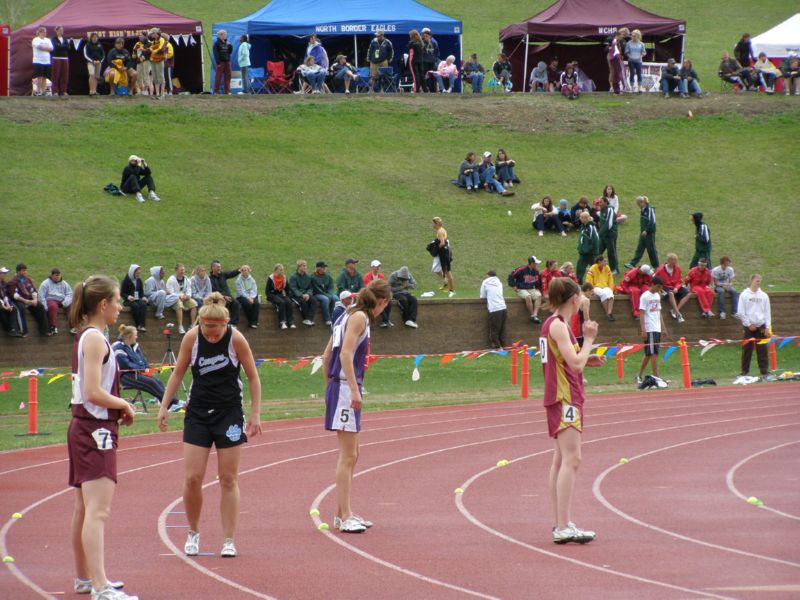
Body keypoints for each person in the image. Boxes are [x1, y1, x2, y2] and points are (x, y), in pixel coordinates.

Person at [158, 293, 262, 558]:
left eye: (216, 330)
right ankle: (193, 532)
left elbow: (252, 376)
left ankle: (228, 539)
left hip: (229, 413)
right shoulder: (191, 338)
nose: (211, 335)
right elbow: (178, 372)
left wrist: (255, 414)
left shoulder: (236, 339)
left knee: (228, 479)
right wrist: (164, 407)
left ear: (225, 324)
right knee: (193, 478)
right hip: (198, 413)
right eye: (207, 329)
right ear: (200, 323)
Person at [67, 275, 138, 600]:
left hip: (85, 427)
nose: (121, 307)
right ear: (103, 305)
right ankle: (99, 586)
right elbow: (92, 391)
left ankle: (86, 578)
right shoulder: (95, 339)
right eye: (118, 300)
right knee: (98, 511)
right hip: (94, 430)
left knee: (84, 509)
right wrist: (123, 403)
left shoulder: (88, 337)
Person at [322, 279, 391, 533]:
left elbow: (326, 354)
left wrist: (328, 386)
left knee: (354, 454)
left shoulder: (347, 314)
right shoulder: (359, 318)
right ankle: (344, 515)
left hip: (339, 386)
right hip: (344, 387)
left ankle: (343, 513)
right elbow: (344, 354)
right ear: (382, 302)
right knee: (348, 455)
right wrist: (350, 389)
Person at [539, 277, 604, 544]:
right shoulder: (558, 326)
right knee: (572, 459)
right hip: (565, 398)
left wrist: (587, 358)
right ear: (575, 299)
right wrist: (589, 340)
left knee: (560, 460)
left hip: (563, 396)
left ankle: (561, 523)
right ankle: (562, 526)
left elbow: (569, 361)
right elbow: (574, 365)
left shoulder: (555, 324)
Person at [113, 324, 181, 411]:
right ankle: (171, 404)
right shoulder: (118, 348)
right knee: (151, 382)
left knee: (157, 380)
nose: (137, 337)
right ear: (129, 336)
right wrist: (141, 368)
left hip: (139, 373)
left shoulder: (135, 346)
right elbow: (125, 364)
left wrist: (147, 368)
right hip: (125, 376)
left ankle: (172, 403)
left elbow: (143, 360)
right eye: (135, 335)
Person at [737, 274, 772, 379]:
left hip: (761, 325)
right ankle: (744, 371)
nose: (758, 283)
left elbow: (767, 312)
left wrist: (767, 327)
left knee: (762, 349)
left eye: (760, 281)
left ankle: (764, 370)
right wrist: (748, 324)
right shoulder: (744, 295)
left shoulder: (764, 295)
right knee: (747, 349)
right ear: (752, 281)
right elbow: (740, 312)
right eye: (757, 281)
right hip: (749, 327)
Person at [635, 276, 667, 385]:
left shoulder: (657, 296)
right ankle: (656, 377)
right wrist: (643, 330)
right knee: (653, 353)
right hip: (650, 328)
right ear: (652, 284)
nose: (659, 289)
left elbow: (659, 312)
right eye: (658, 286)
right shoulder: (645, 296)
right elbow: (642, 313)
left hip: (656, 327)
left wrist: (663, 327)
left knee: (649, 353)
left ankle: (638, 375)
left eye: (660, 287)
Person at [8, 263, 49, 336]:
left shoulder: (28, 280)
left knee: (40, 306)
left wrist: (35, 300)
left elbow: (33, 290)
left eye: (25, 270)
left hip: (29, 299)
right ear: (18, 271)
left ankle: (44, 330)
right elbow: (14, 295)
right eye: (23, 270)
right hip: (19, 300)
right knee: (21, 308)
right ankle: (23, 331)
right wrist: (25, 301)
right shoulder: (13, 281)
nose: (25, 272)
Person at [625, 195, 659, 269]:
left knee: (651, 250)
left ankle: (656, 266)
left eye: (639, 204)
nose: (638, 205)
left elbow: (652, 222)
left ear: (643, 202)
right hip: (643, 233)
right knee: (639, 248)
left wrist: (646, 230)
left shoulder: (650, 209)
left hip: (649, 233)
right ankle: (632, 263)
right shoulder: (643, 209)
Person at [654, 253, 689, 323]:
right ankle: (678, 314)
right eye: (673, 261)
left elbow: (680, 280)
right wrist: (659, 289)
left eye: (675, 261)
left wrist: (676, 288)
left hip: (675, 287)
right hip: (665, 287)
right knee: (670, 293)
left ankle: (675, 310)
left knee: (688, 293)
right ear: (668, 261)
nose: (674, 263)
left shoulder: (678, 268)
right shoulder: (660, 270)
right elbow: (655, 279)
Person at [508, 256, 543, 323]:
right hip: (521, 288)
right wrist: (513, 286)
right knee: (528, 297)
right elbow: (511, 276)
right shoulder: (521, 269)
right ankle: (532, 315)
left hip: (531, 288)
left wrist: (539, 288)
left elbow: (537, 282)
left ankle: (535, 314)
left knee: (539, 296)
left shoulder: (536, 271)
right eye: (536, 263)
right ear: (532, 263)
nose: (537, 265)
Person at [166, 263, 198, 334]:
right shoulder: (171, 279)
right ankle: (180, 326)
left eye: (183, 270)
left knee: (194, 304)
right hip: (175, 299)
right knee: (179, 305)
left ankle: (193, 324)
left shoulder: (186, 279)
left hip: (185, 298)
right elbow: (170, 291)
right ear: (176, 270)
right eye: (181, 270)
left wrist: (188, 295)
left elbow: (188, 288)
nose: (183, 272)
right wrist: (180, 296)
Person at [39, 267, 73, 334]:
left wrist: (65, 302)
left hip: (62, 300)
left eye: (59, 275)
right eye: (56, 275)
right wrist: (45, 307)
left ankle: (74, 326)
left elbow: (70, 293)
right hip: (51, 299)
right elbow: (41, 296)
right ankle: (53, 327)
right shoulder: (45, 283)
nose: (58, 277)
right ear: (52, 275)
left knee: (72, 306)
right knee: (53, 307)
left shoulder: (64, 283)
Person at [480, 271, 507, 348]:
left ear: (488, 275)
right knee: (502, 328)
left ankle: (497, 347)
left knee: (494, 329)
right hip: (503, 307)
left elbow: (482, 295)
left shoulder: (485, 282)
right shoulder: (499, 282)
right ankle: (504, 345)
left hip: (494, 309)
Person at [585, 256, 615, 321]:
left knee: (610, 294)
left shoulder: (607, 268)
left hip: (605, 286)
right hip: (595, 287)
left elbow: (611, 279)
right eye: (604, 261)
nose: (606, 263)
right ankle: (608, 314)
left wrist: (611, 288)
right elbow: (588, 280)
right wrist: (591, 290)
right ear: (599, 261)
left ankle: (609, 313)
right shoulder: (592, 268)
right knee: (603, 294)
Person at [289, 260, 318, 326]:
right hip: (295, 295)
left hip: (306, 294)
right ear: (299, 267)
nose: (305, 267)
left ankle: (309, 319)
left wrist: (308, 294)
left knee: (314, 301)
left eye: (306, 265)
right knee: (302, 302)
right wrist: (301, 295)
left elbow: (310, 288)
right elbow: (293, 288)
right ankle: (307, 319)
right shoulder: (293, 277)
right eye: (304, 266)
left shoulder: (308, 276)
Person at [266, 263, 295, 329]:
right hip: (272, 294)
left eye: (282, 270)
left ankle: (291, 322)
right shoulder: (271, 278)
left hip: (280, 294)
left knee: (289, 302)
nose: (282, 271)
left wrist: (288, 297)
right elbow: (267, 291)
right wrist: (270, 297)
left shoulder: (284, 277)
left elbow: (287, 289)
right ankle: (282, 322)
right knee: (281, 302)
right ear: (276, 270)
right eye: (280, 270)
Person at [363, 260, 392, 327]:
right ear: (372, 267)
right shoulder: (367, 276)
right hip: (370, 294)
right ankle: (386, 320)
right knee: (378, 302)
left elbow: (384, 285)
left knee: (388, 302)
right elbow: (367, 287)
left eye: (378, 266)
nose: (377, 268)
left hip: (380, 294)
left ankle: (386, 320)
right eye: (376, 267)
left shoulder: (381, 276)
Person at [120, 264, 148, 331]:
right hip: (128, 301)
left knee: (143, 305)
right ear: (132, 272)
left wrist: (143, 297)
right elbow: (122, 293)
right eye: (137, 273)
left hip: (137, 299)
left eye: (139, 273)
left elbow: (141, 292)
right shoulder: (125, 281)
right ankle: (138, 324)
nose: (138, 275)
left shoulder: (139, 281)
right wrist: (128, 297)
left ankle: (142, 325)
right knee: (135, 306)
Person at [432, 217, 455, 297]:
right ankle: (446, 283)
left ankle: (452, 290)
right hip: (444, 252)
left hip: (444, 253)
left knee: (447, 271)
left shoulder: (440, 231)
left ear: (437, 224)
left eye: (433, 223)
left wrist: (436, 248)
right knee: (436, 269)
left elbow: (442, 243)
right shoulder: (441, 230)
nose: (432, 225)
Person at [311, 261, 338, 326]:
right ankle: (327, 319)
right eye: (323, 267)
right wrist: (327, 295)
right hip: (317, 294)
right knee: (325, 299)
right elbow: (316, 289)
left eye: (324, 267)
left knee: (336, 298)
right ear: (318, 268)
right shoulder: (313, 277)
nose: (324, 269)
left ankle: (333, 317)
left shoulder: (328, 276)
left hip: (327, 293)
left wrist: (329, 294)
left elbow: (331, 286)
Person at [576, 212, 599, 284]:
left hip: (590, 253)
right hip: (583, 253)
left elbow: (596, 240)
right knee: (579, 268)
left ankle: (598, 282)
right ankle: (579, 283)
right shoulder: (583, 226)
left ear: (586, 218)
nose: (580, 218)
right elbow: (582, 239)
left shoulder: (591, 227)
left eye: (581, 217)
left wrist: (591, 250)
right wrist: (580, 248)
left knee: (595, 268)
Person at [597, 196, 619, 274]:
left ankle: (614, 269)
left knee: (611, 252)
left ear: (606, 202)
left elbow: (609, 224)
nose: (599, 203)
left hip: (610, 235)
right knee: (598, 250)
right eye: (599, 202)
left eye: (601, 202)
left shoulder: (609, 209)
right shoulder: (602, 210)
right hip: (603, 235)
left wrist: (599, 233)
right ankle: (596, 265)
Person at [0, 267, 23, 337]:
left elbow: (5, 295)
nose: (4, 275)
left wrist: (7, 304)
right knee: (1, 310)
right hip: (1, 304)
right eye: (3, 273)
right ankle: (8, 328)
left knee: (13, 309)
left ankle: (13, 329)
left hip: (3, 302)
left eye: (5, 273)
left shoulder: (3, 283)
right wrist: (4, 306)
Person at [32, 27, 53, 96]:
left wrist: (44, 47)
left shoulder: (48, 40)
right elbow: (39, 47)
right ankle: (38, 90)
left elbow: (51, 48)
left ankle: (43, 91)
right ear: (40, 32)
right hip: (38, 61)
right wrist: (46, 47)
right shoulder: (36, 39)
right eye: (43, 32)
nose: (45, 33)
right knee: (39, 76)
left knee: (45, 77)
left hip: (47, 61)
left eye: (45, 32)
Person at [83, 32, 104, 96]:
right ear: (91, 38)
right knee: (91, 74)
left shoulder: (100, 45)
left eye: (96, 37)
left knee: (96, 76)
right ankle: (91, 90)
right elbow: (85, 55)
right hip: (90, 62)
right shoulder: (87, 45)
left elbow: (103, 54)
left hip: (98, 63)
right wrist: (92, 61)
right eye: (93, 37)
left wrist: (100, 61)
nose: (94, 38)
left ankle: (95, 90)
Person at [608, 28, 629, 94]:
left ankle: (618, 89)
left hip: (617, 58)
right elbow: (614, 51)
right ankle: (618, 88)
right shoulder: (614, 40)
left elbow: (622, 50)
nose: (624, 37)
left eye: (625, 35)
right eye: (623, 35)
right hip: (615, 58)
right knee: (617, 73)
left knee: (618, 73)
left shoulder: (621, 41)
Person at [147, 30, 167, 98]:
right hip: (153, 60)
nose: (151, 35)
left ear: (156, 34)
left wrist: (154, 50)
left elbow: (160, 48)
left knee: (161, 76)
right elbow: (150, 48)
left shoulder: (161, 40)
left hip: (159, 60)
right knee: (155, 77)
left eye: (153, 33)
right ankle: (157, 93)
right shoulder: (153, 41)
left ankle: (162, 94)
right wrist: (151, 49)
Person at [213, 30, 233, 95]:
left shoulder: (227, 42)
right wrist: (218, 63)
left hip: (227, 61)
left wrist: (230, 46)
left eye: (225, 34)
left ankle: (227, 91)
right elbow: (215, 53)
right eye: (224, 35)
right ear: (221, 35)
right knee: (218, 77)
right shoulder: (217, 43)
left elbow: (229, 52)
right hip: (221, 62)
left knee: (228, 76)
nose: (225, 36)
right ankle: (216, 91)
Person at [51, 26, 69, 97]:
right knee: (56, 75)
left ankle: (63, 91)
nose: (61, 32)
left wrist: (61, 46)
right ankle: (55, 91)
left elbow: (68, 47)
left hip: (65, 58)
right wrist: (63, 46)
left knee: (64, 75)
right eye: (60, 30)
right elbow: (56, 47)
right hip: (56, 58)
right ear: (56, 31)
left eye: (62, 30)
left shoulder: (65, 39)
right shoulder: (53, 39)